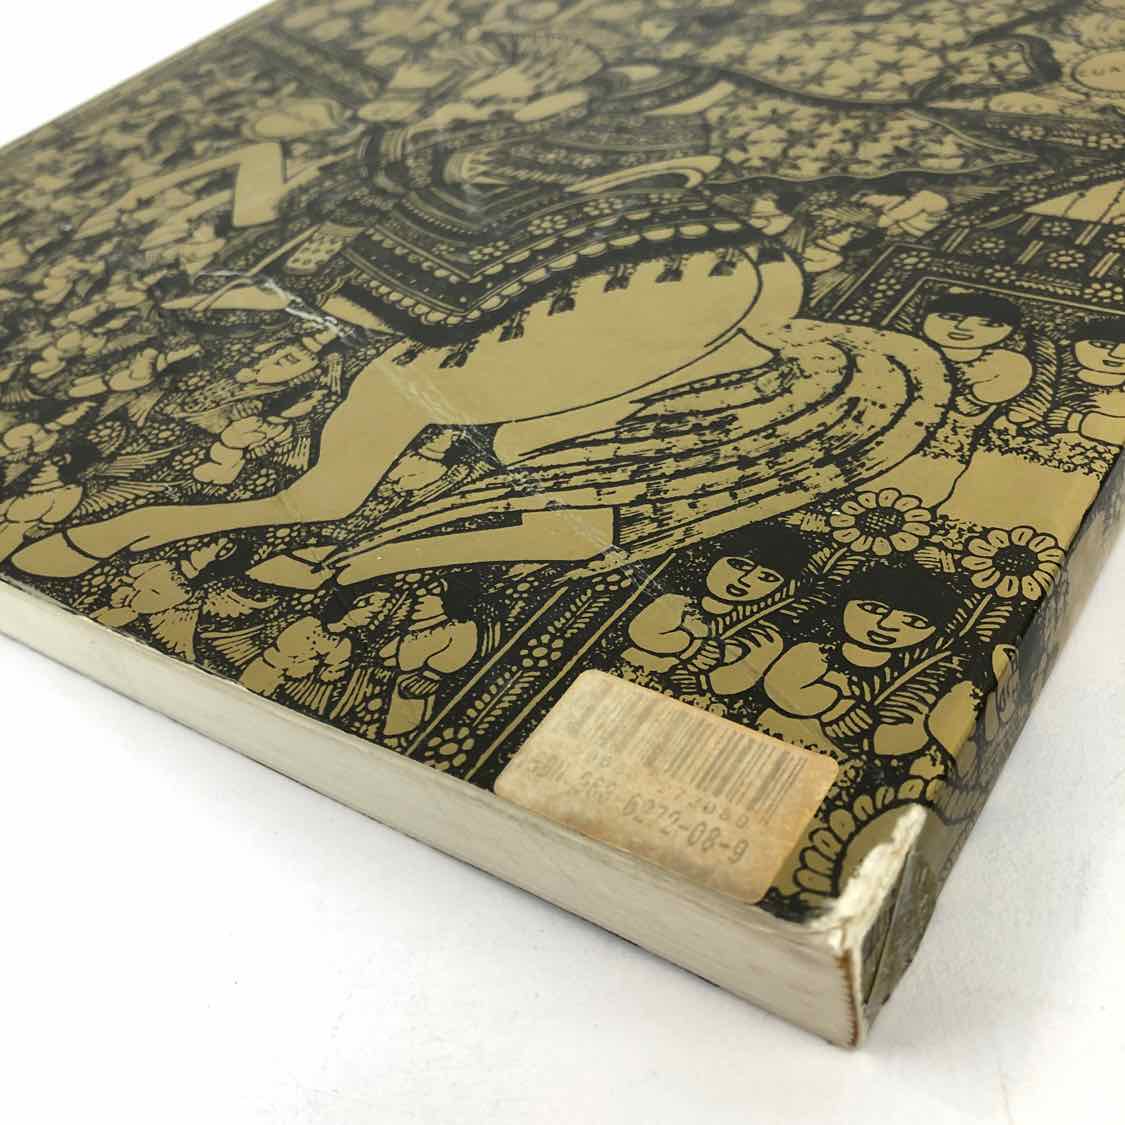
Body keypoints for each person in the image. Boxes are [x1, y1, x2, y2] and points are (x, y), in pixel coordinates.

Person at [11, 247, 952, 589]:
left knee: (345, 498)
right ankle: (129, 530)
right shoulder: (388, 379)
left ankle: (158, 535)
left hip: (504, 375)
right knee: (326, 496)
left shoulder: (712, 322)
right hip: (455, 366)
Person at [757, 562, 959, 757]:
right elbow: (779, 689)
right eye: (873, 609)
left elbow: (907, 736)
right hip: (770, 740)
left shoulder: (906, 679)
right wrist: (837, 706)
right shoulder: (815, 652)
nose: (886, 624)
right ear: (845, 604)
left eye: (914, 621)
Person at [869, 291, 1031, 508]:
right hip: (874, 442)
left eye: (988, 324)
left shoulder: (1006, 364)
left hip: (938, 453)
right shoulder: (898, 351)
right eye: (950, 318)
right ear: (924, 318)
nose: (963, 327)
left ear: (1010, 331)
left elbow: (969, 406)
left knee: (917, 498)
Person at [622, 523, 812, 701]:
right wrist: (692, 647)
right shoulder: (676, 603)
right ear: (715, 559)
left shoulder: (766, 639)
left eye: (767, 577)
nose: (746, 580)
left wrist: (701, 681)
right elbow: (641, 633)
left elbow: (742, 678)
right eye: (739, 565)